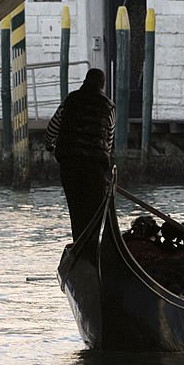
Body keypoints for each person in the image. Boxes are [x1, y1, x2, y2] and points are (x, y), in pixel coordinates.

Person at [44, 68, 116, 241]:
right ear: (102, 85)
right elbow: (109, 140)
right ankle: (92, 245)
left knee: (76, 209)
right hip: (94, 165)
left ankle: (79, 244)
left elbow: (52, 129)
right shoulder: (109, 107)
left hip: (69, 162)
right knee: (94, 210)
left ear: (85, 81)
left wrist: (49, 146)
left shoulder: (71, 100)